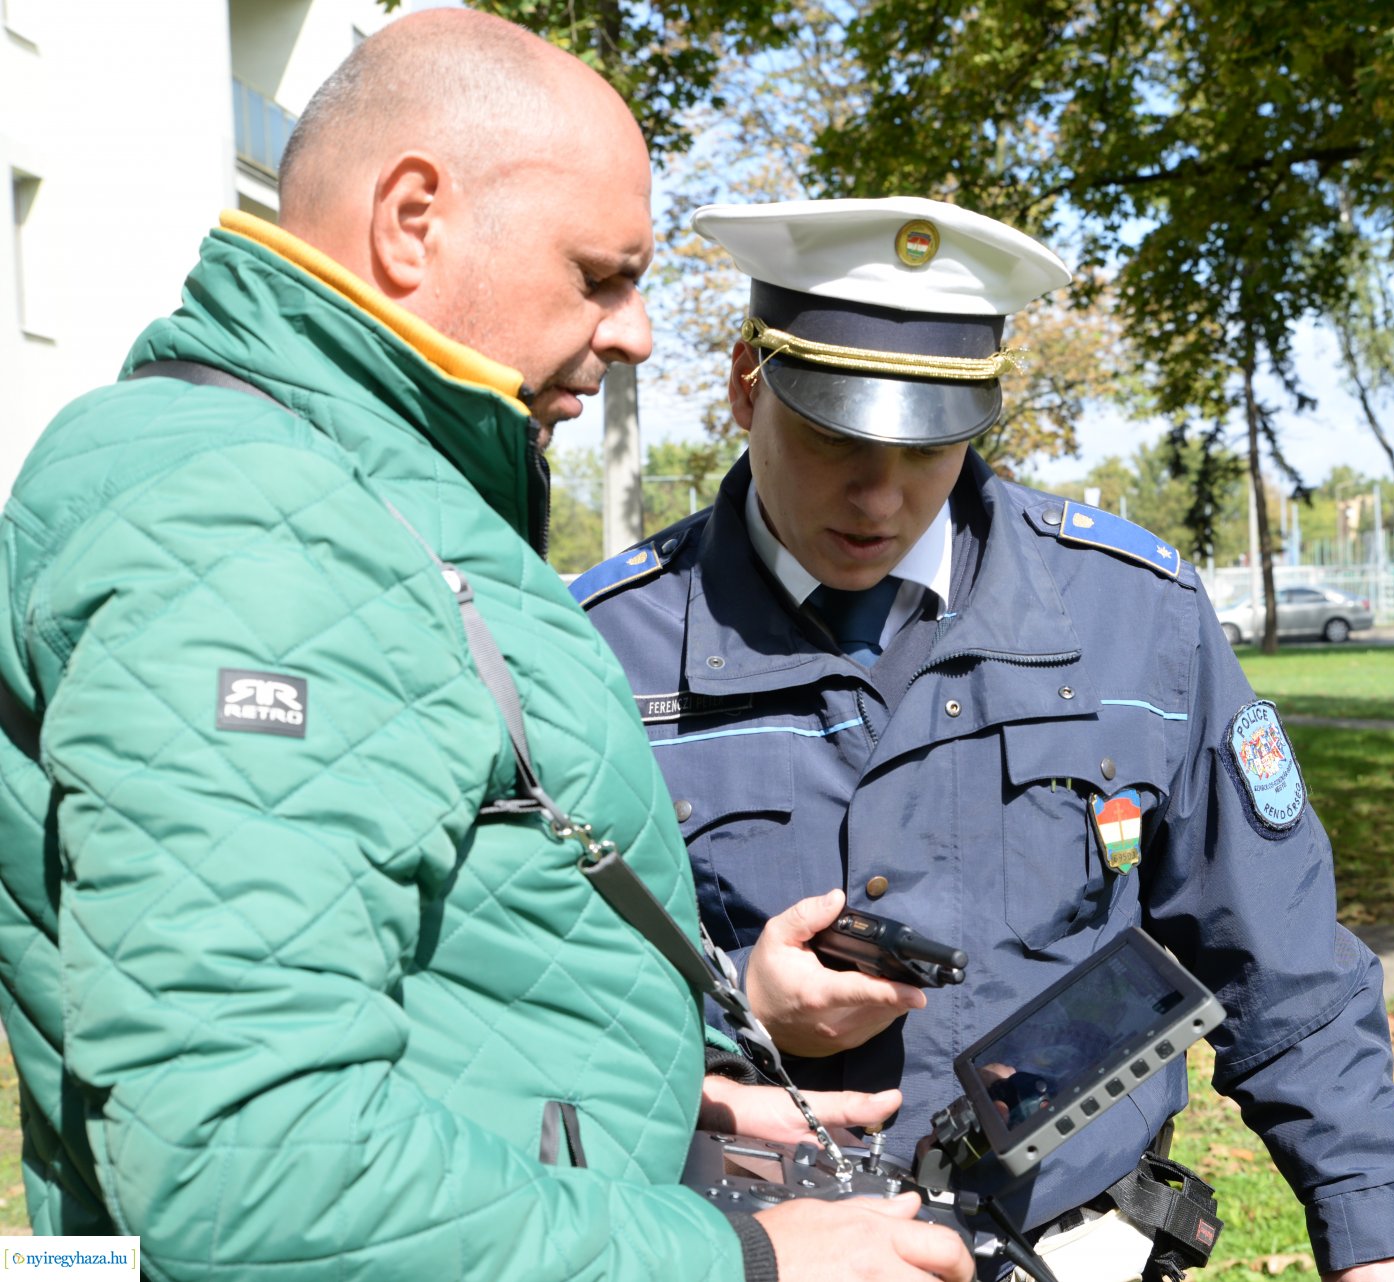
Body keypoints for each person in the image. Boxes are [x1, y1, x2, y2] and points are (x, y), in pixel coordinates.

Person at [0, 16, 972, 1282]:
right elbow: (253, 1165)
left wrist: (648, 1108)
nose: (632, 333)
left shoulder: (324, 482)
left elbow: (429, 957)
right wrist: (738, 1261)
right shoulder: (260, 531)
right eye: (600, 274)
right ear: (414, 220)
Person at [573, 197, 1394, 1281]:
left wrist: (1379, 1242)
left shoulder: (1138, 620)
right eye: (838, 433)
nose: (881, 494)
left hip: (1075, 1249)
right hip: (758, 1251)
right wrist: (731, 1005)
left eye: (931, 443)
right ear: (749, 385)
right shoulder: (602, 649)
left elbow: (1288, 963)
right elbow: (522, 996)